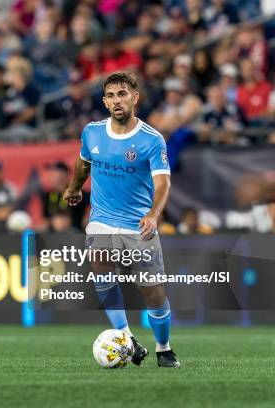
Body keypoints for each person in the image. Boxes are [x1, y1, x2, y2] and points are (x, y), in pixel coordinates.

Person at [63, 72, 179, 368]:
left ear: (134, 98)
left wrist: (153, 214)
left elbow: (163, 183)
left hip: (138, 224)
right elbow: (83, 161)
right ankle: (127, 339)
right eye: (111, 95)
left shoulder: (151, 139)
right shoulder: (92, 132)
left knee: (153, 293)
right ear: (104, 101)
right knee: (100, 265)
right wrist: (75, 187)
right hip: (101, 218)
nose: (117, 100)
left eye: (123, 94)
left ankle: (164, 348)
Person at [40, 160, 89, 231]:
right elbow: (45, 221)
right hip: (53, 235)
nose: (50, 176)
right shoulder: (47, 195)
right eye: (50, 173)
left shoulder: (80, 194)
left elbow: (92, 211)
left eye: (54, 173)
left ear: (65, 175)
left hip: (75, 234)